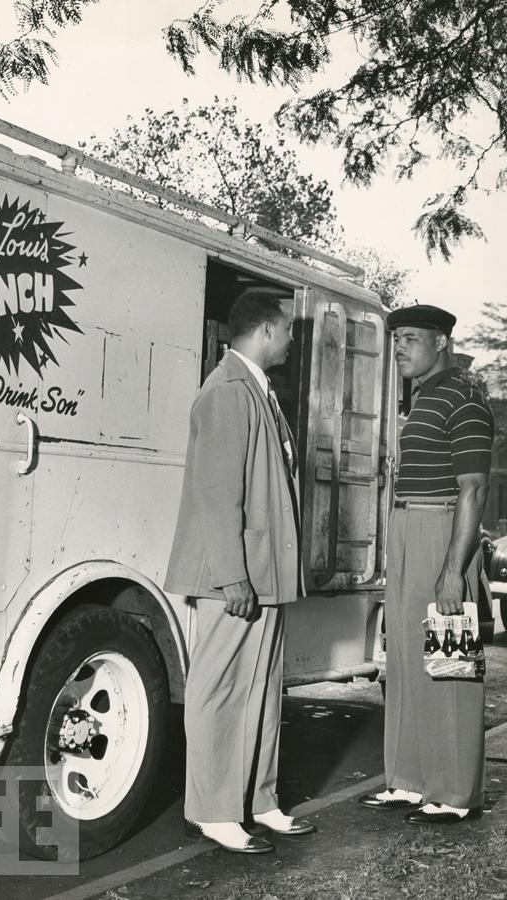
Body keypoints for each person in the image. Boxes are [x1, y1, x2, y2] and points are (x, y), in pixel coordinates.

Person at [164, 287, 316, 853]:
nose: (294, 340)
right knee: (220, 691)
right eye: (290, 330)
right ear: (267, 330)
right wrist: (233, 577)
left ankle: (258, 800)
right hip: (234, 576)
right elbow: (215, 494)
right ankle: (211, 810)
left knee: (261, 692)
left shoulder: (257, 388)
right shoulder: (227, 391)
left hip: (261, 572)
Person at [359, 304, 494, 825]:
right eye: (396, 340)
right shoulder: (423, 398)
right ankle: (411, 781)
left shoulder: (464, 395)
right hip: (406, 529)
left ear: (441, 342)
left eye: (410, 339)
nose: (399, 349)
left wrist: (454, 568)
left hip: (441, 531)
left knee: (451, 663)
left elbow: (475, 489)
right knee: (411, 662)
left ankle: (456, 794)